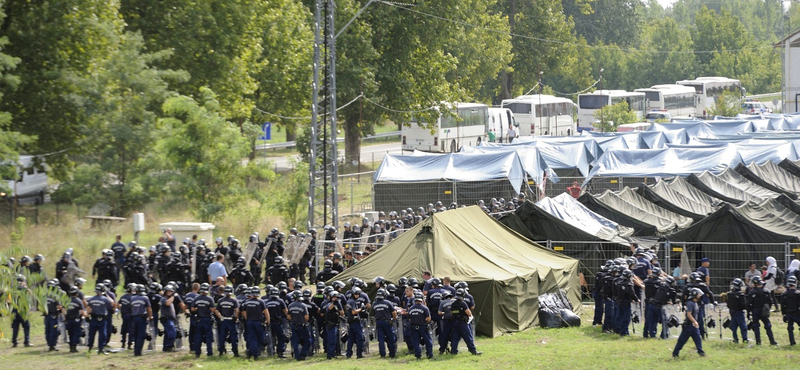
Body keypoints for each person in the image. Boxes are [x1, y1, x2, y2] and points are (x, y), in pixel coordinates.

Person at [672, 287, 705, 358]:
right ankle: (675, 353)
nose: (700, 295)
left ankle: (701, 352)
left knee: (698, 339)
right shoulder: (690, 303)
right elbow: (688, 314)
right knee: (682, 340)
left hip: (694, 326)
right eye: (698, 294)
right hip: (689, 326)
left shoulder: (695, 303)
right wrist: (695, 322)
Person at [450, 288, 482, 355]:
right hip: (462, 323)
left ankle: (453, 351)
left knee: (455, 338)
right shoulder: (463, 304)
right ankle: (473, 351)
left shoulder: (453, 304)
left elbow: (451, 313)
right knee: (468, 337)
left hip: (455, 322)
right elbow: (469, 313)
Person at [241, 286, 269, 360]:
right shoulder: (261, 302)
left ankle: (254, 353)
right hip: (258, 322)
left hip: (250, 322)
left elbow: (243, 312)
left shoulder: (247, 302)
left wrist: (248, 319)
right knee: (261, 338)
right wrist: (268, 321)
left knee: (252, 338)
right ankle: (257, 352)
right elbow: (266, 312)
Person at [749, 276, 777, 345]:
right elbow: (770, 301)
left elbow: (748, 303)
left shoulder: (752, 292)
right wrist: (767, 308)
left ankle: (758, 342)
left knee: (756, 326)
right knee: (767, 325)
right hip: (764, 310)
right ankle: (772, 341)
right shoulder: (766, 291)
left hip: (755, 310)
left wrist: (748, 312)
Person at [192, 283, 217, 357]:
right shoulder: (209, 298)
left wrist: (198, 309)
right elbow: (213, 309)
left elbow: (192, 309)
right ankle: (209, 353)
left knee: (198, 337)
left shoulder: (196, 298)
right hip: (207, 319)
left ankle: (197, 353)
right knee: (208, 337)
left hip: (199, 320)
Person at [86, 285, 112, 354]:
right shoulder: (104, 299)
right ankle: (101, 348)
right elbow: (112, 303)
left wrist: (87, 316)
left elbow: (88, 308)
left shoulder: (91, 299)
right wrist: (106, 294)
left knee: (91, 333)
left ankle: (90, 347)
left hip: (93, 318)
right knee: (102, 334)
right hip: (102, 319)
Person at [215, 285, 240, 357]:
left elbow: (216, 310)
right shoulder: (234, 300)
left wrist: (220, 317)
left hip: (223, 321)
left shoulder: (221, 300)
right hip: (231, 321)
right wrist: (236, 317)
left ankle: (221, 352)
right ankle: (235, 352)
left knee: (222, 337)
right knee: (233, 337)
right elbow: (237, 311)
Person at [407, 292, 433, 359]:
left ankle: (418, 356)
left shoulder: (411, 308)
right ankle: (429, 355)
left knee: (416, 342)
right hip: (423, 327)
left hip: (414, 327)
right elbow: (428, 319)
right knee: (428, 341)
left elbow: (409, 319)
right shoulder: (425, 308)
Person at [372, 289, 397, 358]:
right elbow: (394, 312)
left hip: (379, 322)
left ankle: (382, 354)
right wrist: (393, 319)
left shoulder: (374, 304)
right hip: (387, 322)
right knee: (390, 338)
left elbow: (373, 313)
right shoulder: (388, 303)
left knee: (381, 339)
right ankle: (392, 354)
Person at [131, 284, 153, 356]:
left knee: (136, 334)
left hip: (134, 318)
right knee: (141, 335)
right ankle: (138, 352)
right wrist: (150, 317)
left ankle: (135, 350)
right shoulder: (145, 298)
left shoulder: (132, 298)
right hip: (142, 318)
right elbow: (149, 309)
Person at [160, 284, 183, 352]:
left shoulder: (169, 299)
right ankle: (169, 346)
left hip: (170, 319)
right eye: (169, 291)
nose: (170, 292)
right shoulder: (164, 299)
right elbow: (167, 303)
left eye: (171, 291)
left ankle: (166, 348)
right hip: (166, 319)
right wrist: (173, 296)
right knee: (172, 332)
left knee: (167, 333)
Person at [288, 292, 310, 361]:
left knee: (295, 342)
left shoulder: (290, 305)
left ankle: (297, 356)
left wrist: (294, 319)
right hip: (302, 326)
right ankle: (303, 354)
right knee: (307, 341)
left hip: (293, 325)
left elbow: (288, 316)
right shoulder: (303, 305)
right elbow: (306, 317)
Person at [345, 287, 366, 358]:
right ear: (353, 294)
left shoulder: (349, 301)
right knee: (359, 338)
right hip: (355, 323)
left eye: (358, 294)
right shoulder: (353, 302)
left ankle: (348, 354)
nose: (358, 296)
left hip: (351, 322)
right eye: (356, 294)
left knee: (350, 339)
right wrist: (361, 308)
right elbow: (353, 312)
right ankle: (359, 354)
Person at [43, 279, 63, 351]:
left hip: (46, 315)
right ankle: (52, 345)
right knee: (54, 330)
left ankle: (49, 343)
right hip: (53, 316)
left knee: (47, 330)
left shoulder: (44, 295)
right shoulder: (55, 296)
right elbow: (59, 306)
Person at [324, 291, 344, 360]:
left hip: (335, 324)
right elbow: (329, 308)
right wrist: (333, 303)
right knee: (331, 340)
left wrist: (339, 306)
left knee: (334, 340)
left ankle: (333, 354)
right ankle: (330, 355)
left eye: (336, 297)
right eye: (334, 297)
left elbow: (342, 313)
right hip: (330, 324)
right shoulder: (328, 303)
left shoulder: (338, 303)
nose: (335, 298)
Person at [727, 278, 749, 343]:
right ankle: (745, 339)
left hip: (732, 312)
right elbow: (743, 305)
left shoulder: (730, 294)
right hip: (739, 312)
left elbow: (728, 305)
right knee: (743, 326)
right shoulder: (740, 295)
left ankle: (735, 339)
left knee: (734, 326)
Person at [782, 275, 800, 345]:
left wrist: (783, 314)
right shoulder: (798, 293)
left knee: (790, 328)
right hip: (797, 313)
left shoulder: (785, 294)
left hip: (788, 313)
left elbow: (783, 305)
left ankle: (792, 342)